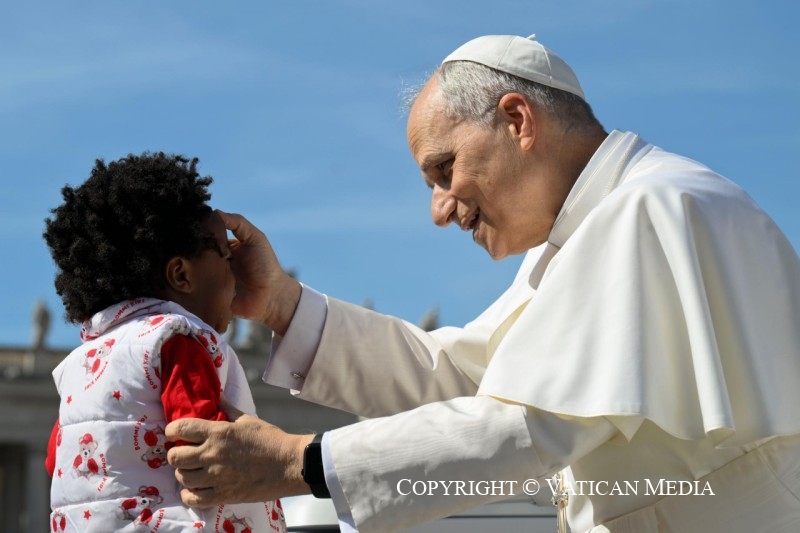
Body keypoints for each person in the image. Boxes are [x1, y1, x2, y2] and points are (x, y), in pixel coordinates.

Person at [165, 35, 800, 533]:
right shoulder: (582, 234)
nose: (440, 209)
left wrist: (294, 461)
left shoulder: (651, 208)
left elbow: (522, 425)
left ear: (518, 119)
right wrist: (282, 305)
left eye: (444, 170)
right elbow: (465, 377)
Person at [42, 153, 287, 532]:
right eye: (226, 257)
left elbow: (57, 460)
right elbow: (202, 438)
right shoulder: (174, 340)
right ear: (181, 274)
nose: (236, 274)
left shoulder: (79, 364)